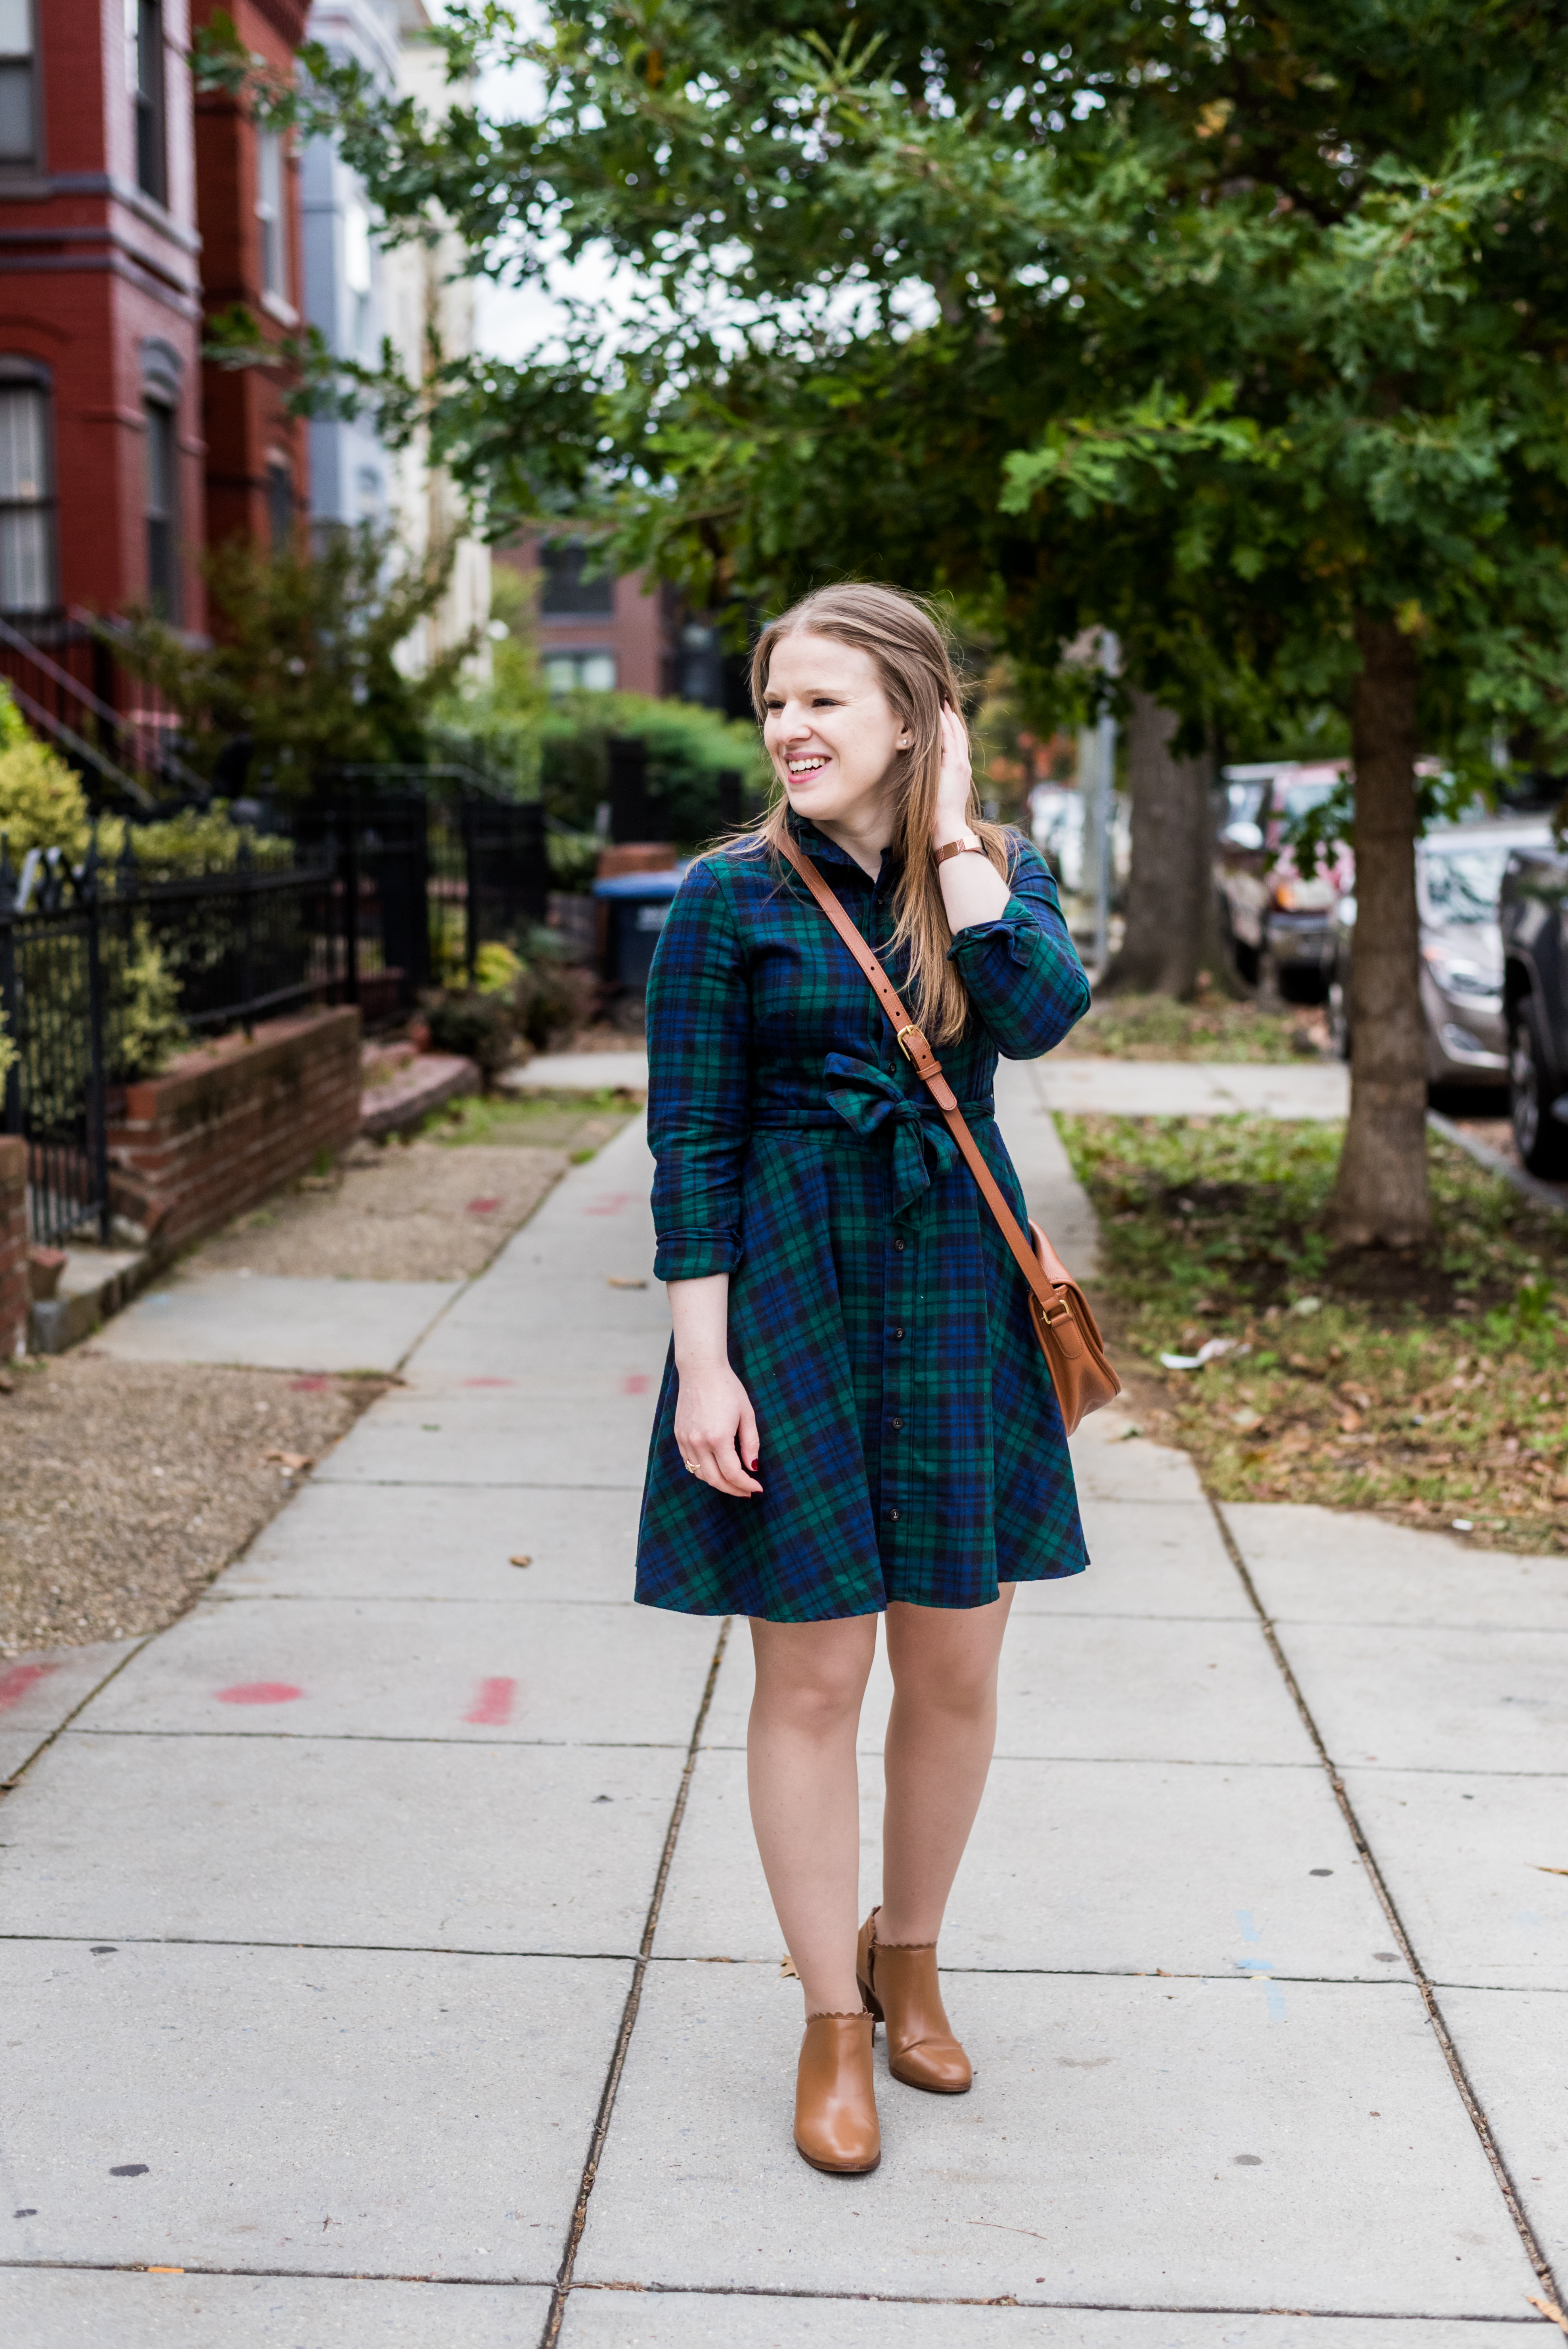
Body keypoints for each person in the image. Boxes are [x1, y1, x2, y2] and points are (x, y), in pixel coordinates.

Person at [636, 584, 1091, 2175]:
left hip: (956, 1299)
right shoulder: (724, 899)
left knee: (954, 1669)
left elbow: (1037, 1017)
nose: (791, 728)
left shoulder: (995, 882)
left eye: (826, 700)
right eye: (774, 702)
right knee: (812, 1683)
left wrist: (957, 834)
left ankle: (914, 1959)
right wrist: (704, 1365)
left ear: (913, 717)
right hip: (792, 1312)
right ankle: (833, 2015)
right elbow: (687, 1143)